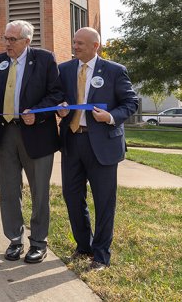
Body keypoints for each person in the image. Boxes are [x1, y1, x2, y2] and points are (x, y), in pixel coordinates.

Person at [57, 27, 138, 271]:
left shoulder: (114, 71)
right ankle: (84, 247)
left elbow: (130, 103)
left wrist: (110, 117)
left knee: (104, 201)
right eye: (74, 42)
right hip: (72, 140)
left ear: (95, 46)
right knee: (72, 197)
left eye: (80, 43)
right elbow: (58, 98)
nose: (75, 46)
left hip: (102, 144)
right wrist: (60, 107)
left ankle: (101, 255)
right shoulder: (65, 70)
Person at [0, 20, 62, 263]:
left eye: (12, 39)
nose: (7, 43)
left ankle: (38, 242)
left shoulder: (45, 59)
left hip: (37, 135)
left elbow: (57, 94)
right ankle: (14, 240)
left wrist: (37, 112)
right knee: (8, 191)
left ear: (27, 41)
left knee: (39, 192)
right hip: (6, 134)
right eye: (5, 38)